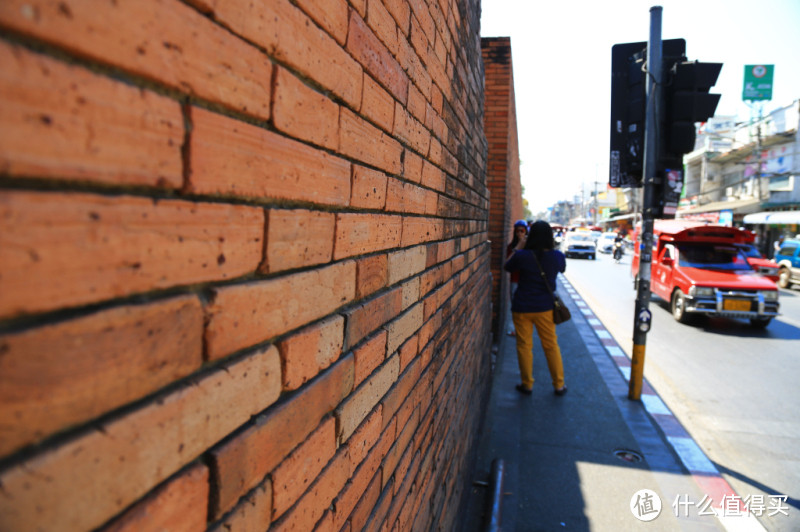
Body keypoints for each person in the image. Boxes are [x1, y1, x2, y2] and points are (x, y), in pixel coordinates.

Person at [504, 220, 568, 396]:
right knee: (551, 345)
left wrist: (520, 246)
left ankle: (527, 384)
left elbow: (507, 266)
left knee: (524, 345)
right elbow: (562, 269)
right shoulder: (557, 257)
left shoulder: (523, 255)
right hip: (545, 308)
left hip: (522, 307)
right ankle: (559, 385)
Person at [506, 220, 528, 335]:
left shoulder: (529, 246)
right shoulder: (511, 247)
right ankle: (515, 329)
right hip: (515, 280)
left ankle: (522, 329)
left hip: (527, 282)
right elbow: (508, 263)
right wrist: (518, 246)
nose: (520, 233)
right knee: (515, 306)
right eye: (518, 231)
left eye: (522, 230)